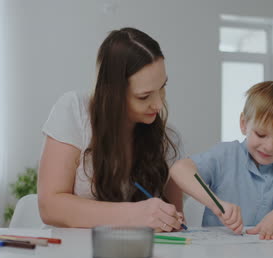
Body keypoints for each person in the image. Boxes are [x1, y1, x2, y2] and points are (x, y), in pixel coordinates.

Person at [38, 27, 184, 232]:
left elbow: (174, 221)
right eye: (144, 96)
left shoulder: (167, 138)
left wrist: (170, 219)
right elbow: (50, 207)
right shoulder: (74, 111)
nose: (159, 105)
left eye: (162, 87)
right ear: (113, 93)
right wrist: (134, 215)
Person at [170, 81, 273, 239]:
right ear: (244, 124)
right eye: (261, 134)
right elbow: (179, 169)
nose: (269, 147)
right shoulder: (226, 154)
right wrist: (215, 204)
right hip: (221, 251)